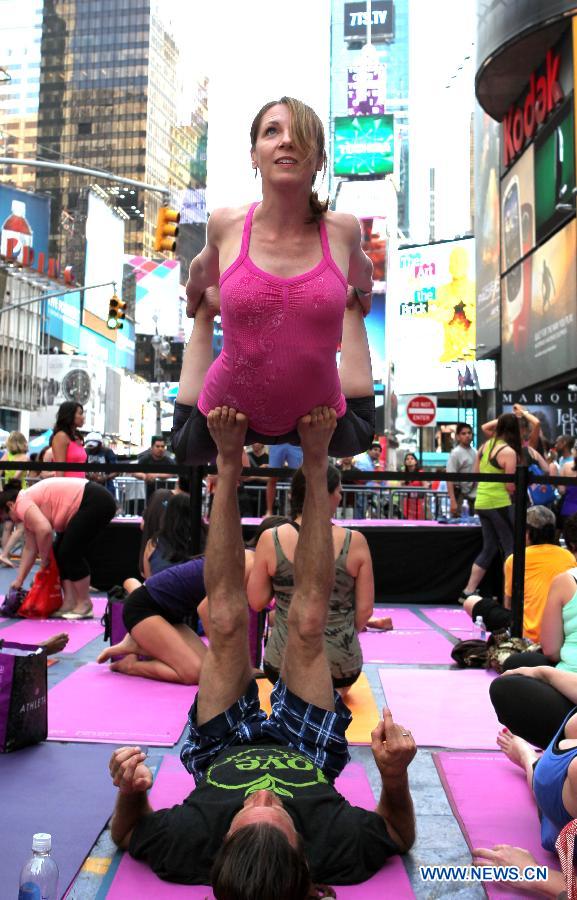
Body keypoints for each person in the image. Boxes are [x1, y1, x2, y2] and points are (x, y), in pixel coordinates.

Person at [108, 405, 416, 893]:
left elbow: (126, 833)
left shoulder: (191, 843)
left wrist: (130, 792)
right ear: (304, 852)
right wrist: (394, 777)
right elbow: (399, 834)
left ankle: (228, 466)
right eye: (279, 814)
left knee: (227, 622)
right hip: (307, 752)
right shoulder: (333, 846)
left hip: (220, 750)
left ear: (221, 842)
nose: (264, 796)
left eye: (248, 812)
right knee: (308, 622)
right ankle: (316, 464)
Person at [171, 95, 375, 466]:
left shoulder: (343, 230)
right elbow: (199, 273)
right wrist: (196, 307)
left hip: (318, 413)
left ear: (319, 159)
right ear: (254, 154)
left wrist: (358, 297)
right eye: (272, 131)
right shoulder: (226, 225)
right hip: (231, 405)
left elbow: (365, 275)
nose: (286, 140)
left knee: (361, 434)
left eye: (299, 134)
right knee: (185, 448)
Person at [247, 463, 375, 695]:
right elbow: (365, 611)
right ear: (324, 494)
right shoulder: (354, 541)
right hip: (340, 669)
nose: (341, 495)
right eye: (338, 490)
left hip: (282, 666)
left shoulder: (271, 538)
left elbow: (256, 602)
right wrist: (340, 633)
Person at [489, 516, 577, 749]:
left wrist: (543, 673)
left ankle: (557, 748)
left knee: (508, 681)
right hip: (550, 653)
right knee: (518, 663)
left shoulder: (517, 560)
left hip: (566, 681)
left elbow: (551, 650)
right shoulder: (564, 561)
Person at [0, 477, 116, 619]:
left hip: (94, 500)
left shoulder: (21, 504)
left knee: (70, 552)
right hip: (90, 500)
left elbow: (45, 530)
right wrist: (19, 580)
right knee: (60, 552)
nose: (10, 521)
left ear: (10, 505)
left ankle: (85, 604)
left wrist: (44, 562)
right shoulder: (25, 508)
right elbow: (30, 549)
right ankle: (70, 602)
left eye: (7, 518)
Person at [459, 413, 546, 602]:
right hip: (499, 503)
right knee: (511, 549)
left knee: (489, 548)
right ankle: (511, 596)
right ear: (515, 429)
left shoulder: (483, 447)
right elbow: (509, 486)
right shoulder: (509, 452)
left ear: (499, 428)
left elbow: (476, 473)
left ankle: (468, 591)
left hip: (481, 502)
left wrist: (508, 419)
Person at [462, 505, 575, 642]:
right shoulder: (568, 557)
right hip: (557, 633)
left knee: (470, 601)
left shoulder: (515, 559)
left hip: (525, 632)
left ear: (527, 533)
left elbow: (509, 604)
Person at [97, 557, 208, 684]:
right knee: (194, 674)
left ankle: (139, 645)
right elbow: (205, 611)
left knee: (207, 671)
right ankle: (130, 666)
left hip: (168, 614)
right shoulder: (226, 568)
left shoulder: (229, 564)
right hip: (143, 610)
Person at [142, 492, 195, 578]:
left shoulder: (153, 543)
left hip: (159, 589)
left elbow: (149, 582)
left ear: (167, 514)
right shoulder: (203, 541)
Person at [0, 431, 29, 567]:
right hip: (19, 493)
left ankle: (5, 556)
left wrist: (1, 487)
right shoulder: (25, 458)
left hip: (5, 493)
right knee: (20, 527)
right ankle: (5, 554)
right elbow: (17, 477)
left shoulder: (7, 456)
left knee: (7, 527)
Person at [446, 423, 476, 518]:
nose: (467, 435)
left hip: (475, 496)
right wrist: (453, 501)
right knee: (459, 525)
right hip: (460, 496)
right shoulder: (455, 453)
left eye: (469, 433)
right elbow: (449, 478)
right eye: (463, 433)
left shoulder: (476, 452)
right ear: (458, 437)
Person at [50, 401, 87, 477]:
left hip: (80, 484)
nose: (83, 417)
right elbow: (60, 469)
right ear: (69, 415)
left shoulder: (76, 436)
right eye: (80, 413)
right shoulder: (61, 436)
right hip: (68, 485)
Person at [135, 436, 176, 504]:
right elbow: (135, 472)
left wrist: (156, 475)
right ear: (152, 447)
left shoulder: (169, 461)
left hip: (166, 495)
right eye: (157, 446)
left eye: (162, 446)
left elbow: (173, 473)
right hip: (149, 495)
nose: (160, 449)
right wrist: (144, 476)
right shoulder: (145, 459)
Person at [265, 444, 303, 517]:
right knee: (272, 478)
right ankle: (269, 511)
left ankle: (299, 511)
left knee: (298, 478)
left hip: (294, 442)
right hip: (277, 441)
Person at [84, 432, 118, 497]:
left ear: (100, 444)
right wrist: (88, 475)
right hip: (89, 486)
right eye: (90, 446)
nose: (92, 448)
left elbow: (116, 471)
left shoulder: (107, 452)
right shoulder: (85, 451)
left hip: (107, 486)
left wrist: (104, 477)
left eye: (93, 446)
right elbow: (81, 469)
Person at [401, 452, 429, 521]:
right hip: (407, 503)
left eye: (412, 458)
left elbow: (426, 486)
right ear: (405, 462)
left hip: (418, 502)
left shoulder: (420, 472)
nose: (409, 460)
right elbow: (401, 486)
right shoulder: (404, 474)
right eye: (407, 459)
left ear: (415, 461)